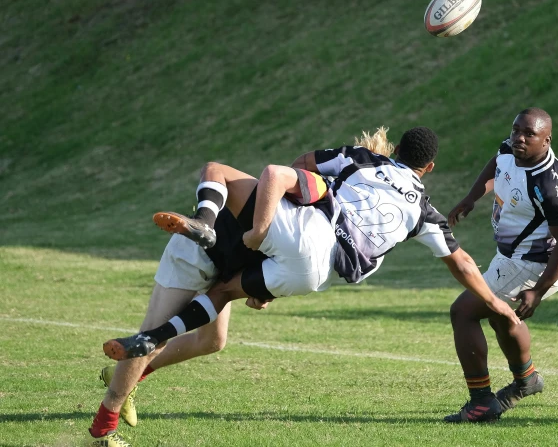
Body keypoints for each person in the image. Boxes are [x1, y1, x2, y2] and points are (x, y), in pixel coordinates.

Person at [95, 127, 520, 442]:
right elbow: (462, 261)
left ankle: (131, 375)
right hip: (272, 262)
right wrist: (497, 305)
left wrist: (283, 212)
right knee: (188, 332)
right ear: (428, 169)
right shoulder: (420, 210)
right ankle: (113, 409)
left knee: (206, 333)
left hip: (252, 249)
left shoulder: (346, 172)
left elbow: (294, 168)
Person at [87, 128, 398, 446]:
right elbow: (272, 218)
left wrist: (263, 290)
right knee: (155, 335)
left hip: (229, 265)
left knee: (212, 341)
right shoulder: (316, 189)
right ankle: (103, 431)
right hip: (198, 254)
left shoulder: (330, 213)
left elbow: (289, 250)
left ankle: (126, 375)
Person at [442, 108, 558, 423]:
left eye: (528, 134)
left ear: (546, 140)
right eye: (516, 130)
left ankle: (481, 402)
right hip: (511, 259)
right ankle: (527, 380)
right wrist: (472, 196)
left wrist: (538, 290)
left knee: (462, 312)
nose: (518, 138)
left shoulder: (550, 185)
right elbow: (497, 162)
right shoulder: (511, 148)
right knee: (501, 318)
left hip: (536, 266)